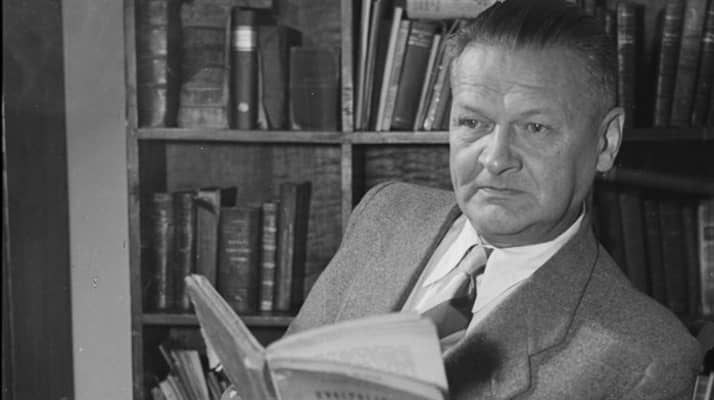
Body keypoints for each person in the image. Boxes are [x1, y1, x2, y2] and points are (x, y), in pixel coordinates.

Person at [287, 0, 703, 398]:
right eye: (473, 122)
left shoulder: (647, 357)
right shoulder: (385, 213)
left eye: (535, 127)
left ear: (606, 142)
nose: (496, 159)